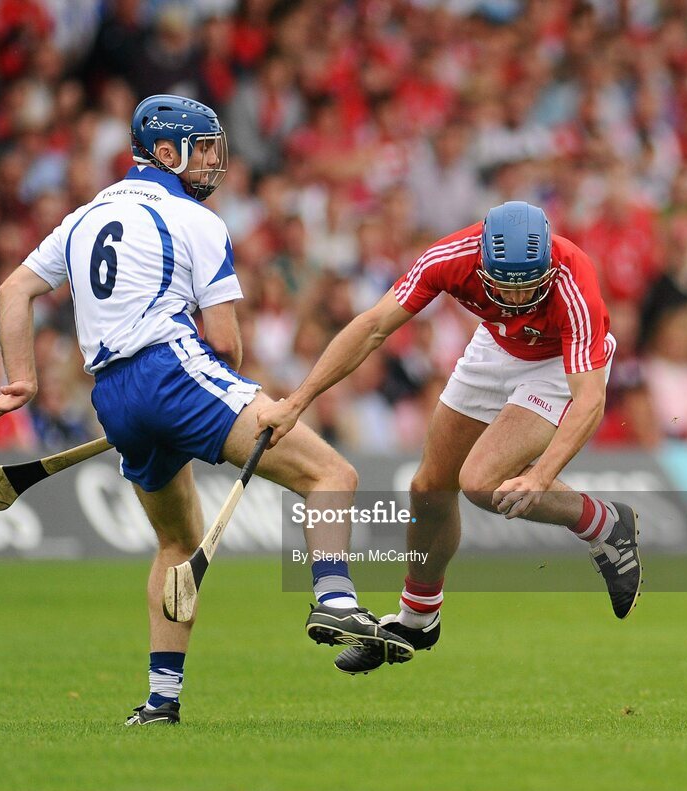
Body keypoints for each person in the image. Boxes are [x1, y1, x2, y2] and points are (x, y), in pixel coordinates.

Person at [0, 94, 413, 725]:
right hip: (174, 372)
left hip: (113, 398)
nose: (212, 163)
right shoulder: (195, 220)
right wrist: (231, 402)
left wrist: (23, 380)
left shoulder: (83, 216)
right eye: (202, 149)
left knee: (176, 543)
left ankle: (161, 701)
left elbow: (14, 288)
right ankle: (335, 598)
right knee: (331, 475)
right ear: (167, 151)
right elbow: (225, 342)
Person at [258, 201, 643, 675]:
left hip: (557, 363)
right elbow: (373, 326)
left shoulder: (574, 280)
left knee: (482, 482)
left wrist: (542, 476)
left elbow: (590, 401)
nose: (519, 299)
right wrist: (298, 401)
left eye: (529, 287)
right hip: (495, 345)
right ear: (483, 264)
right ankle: (418, 618)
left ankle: (602, 522)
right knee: (429, 489)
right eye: (506, 285)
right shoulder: (450, 257)